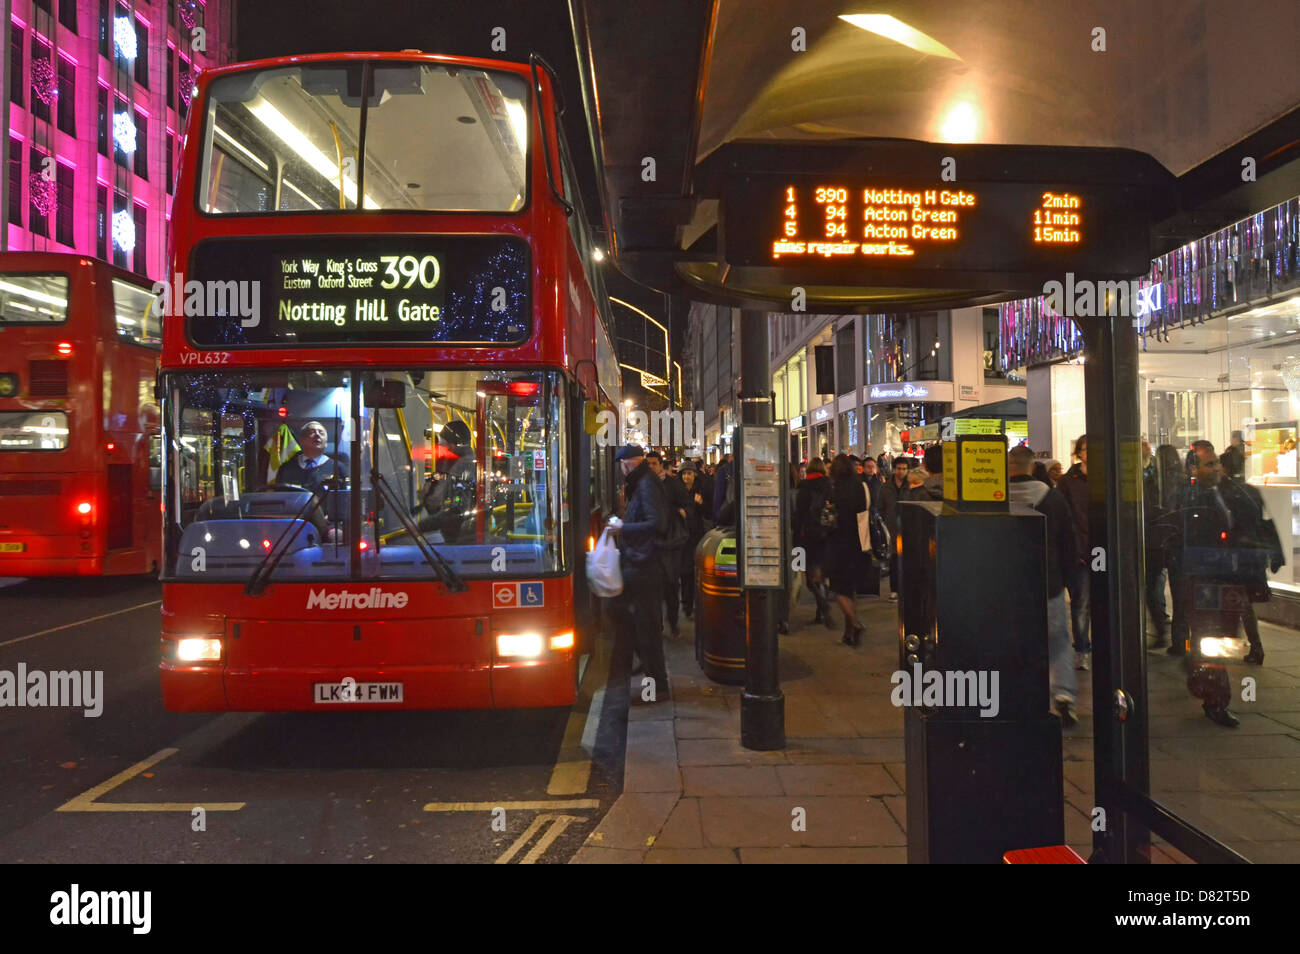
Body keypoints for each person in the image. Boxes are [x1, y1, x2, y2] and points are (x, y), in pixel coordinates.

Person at [1008, 445, 1080, 725]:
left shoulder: (993, 497)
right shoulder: (1052, 498)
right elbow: (1068, 542)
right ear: (1030, 467)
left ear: (1008, 467)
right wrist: (1071, 582)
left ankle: (1016, 695)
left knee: (1011, 643)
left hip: (1007, 587)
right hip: (1048, 583)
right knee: (1059, 642)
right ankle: (1062, 695)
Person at [611, 444, 669, 700]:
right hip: (638, 562)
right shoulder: (642, 482)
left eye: (623, 466)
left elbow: (657, 523)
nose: (622, 471)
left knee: (646, 626)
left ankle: (657, 686)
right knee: (629, 618)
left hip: (645, 564)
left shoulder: (645, 484)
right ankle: (647, 668)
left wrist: (623, 529)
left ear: (629, 464)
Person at [1219, 444, 1282, 665]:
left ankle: (1242, 645)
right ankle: (1253, 646)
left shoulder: (1224, 492)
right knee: (1242, 601)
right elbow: (1262, 523)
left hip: (1234, 555)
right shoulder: (1251, 491)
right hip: (1252, 554)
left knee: (1237, 601)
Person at [648, 450, 691, 639]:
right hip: (651, 543)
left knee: (671, 585)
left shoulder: (673, 485)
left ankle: (673, 623)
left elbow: (687, 506)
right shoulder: (643, 485)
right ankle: (656, 625)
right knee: (654, 588)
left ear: (660, 465)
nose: (650, 467)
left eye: (653, 464)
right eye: (647, 464)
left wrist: (678, 511)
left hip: (671, 542)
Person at [1144, 444, 1183, 648]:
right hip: (1176, 541)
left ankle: (1161, 630)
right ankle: (1180, 640)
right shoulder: (1184, 482)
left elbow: (1147, 511)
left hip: (1155, 541)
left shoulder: (1152, 482)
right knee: (1179, 592)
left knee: (1152, 587)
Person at [826, 454, 868, 646]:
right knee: (850, 589)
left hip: (839, 542)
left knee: (838, 589)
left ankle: (855, 622)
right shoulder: (861, 486)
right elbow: (866, 511)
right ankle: (848, 632)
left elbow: (829, 517)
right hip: (858, 541)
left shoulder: (834, 489)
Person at [1058, 435, 1091, 670]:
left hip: (1103, 549)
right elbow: (1066, 518)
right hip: (1081, 551)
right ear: (1079, 452)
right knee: (1082, 603)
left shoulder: (1108, 476)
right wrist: (1074, 549)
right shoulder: (1069, 481)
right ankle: (1081, 648)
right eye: (1086, 449)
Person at [416, 419, 476, 543]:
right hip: (464, 534)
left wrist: (422, 526)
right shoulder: (461, 462)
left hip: (461, 539)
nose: (441, 446)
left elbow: (456, 510)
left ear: (452, 444)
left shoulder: (462, 466)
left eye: (443, 442)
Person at [794, 458, 835, 628]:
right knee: (822, 573)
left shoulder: (803, 487)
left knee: (808, 575)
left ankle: (822, 602)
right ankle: (821, 609)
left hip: (808, 536)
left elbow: (799, 515)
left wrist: (796, 538)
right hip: (826, 535)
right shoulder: (829, 485)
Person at [677, 462, 711, 624]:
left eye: (689, 473)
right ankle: (687, 605)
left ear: (695, 475)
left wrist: (700, 504)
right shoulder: (678, 491)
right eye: (684, 474)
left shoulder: (700, 491)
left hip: (696, 536)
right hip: (682, 536)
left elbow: (707, 513)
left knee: (696, 572)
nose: (686, 476)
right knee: (685, 572)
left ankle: (696, 603)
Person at [274, 420, 349, 492]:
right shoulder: (286, 468)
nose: (317, 435)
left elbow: (345, 498)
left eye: (321, 433)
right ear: (301, 441)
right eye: (312, 432)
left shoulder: (338, 468)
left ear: (326, 443)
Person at [878, 457, 912, 601]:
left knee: (908, 559)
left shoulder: (911, 486)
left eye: (904, 469)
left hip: (908, 527)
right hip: (891, 527)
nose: (901, 472)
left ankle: (907, 588)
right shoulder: (885, 488)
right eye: (899, 468)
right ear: (894, 469)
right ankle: (894, 590)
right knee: (893, 559)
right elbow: (880, 507)